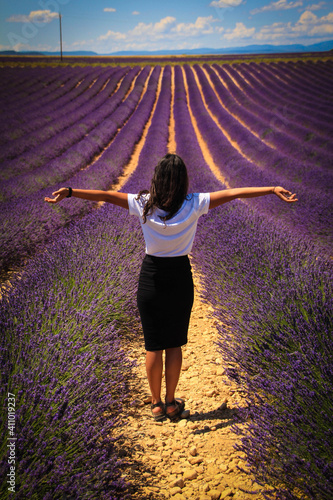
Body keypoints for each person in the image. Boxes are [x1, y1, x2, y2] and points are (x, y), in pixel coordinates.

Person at [45, 153, 298, 422]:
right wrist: (271, 189)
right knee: (174, 344)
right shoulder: (194, 203)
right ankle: (170, 402)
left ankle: (155, 405)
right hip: (180, 278)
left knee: (153, 345)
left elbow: (106, 195)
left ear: (157, 179)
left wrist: (70, 192)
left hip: (151, 277)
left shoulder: (144, 204)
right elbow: (233, 193)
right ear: (182, 181)